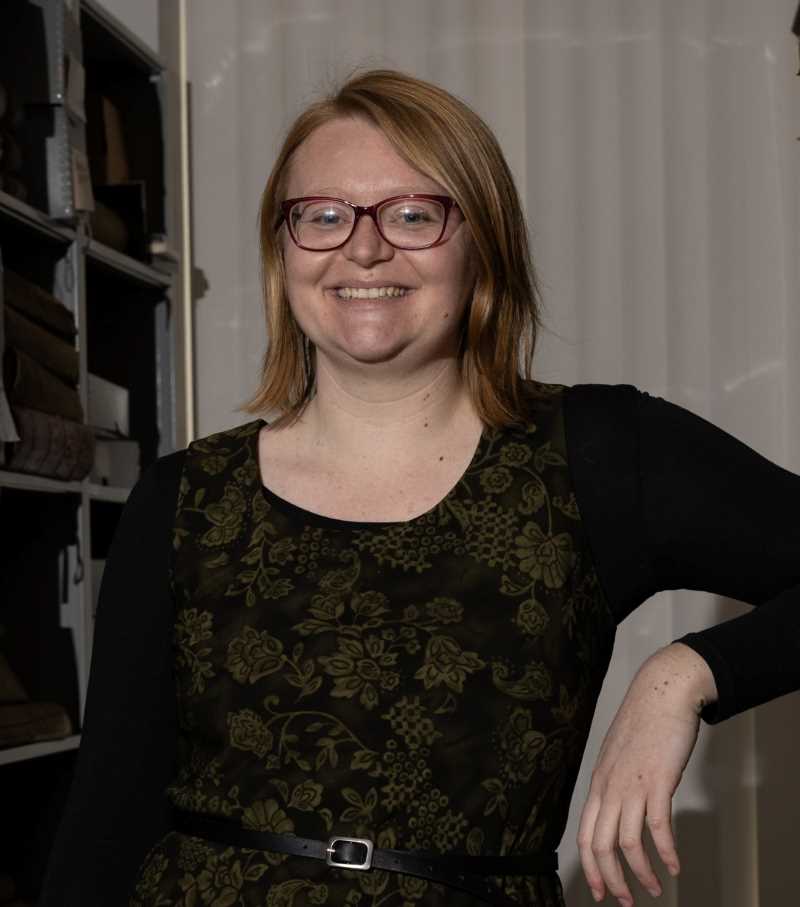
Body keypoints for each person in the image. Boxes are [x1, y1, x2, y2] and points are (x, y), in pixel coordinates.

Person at [40, 69, 800, 907]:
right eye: (322, 216)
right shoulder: (183, 498)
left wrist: (686, 674)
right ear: (284, 250)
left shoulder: (603, 453)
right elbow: (105, 821)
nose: (363, 249)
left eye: (412, 214)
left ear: (484, 244)